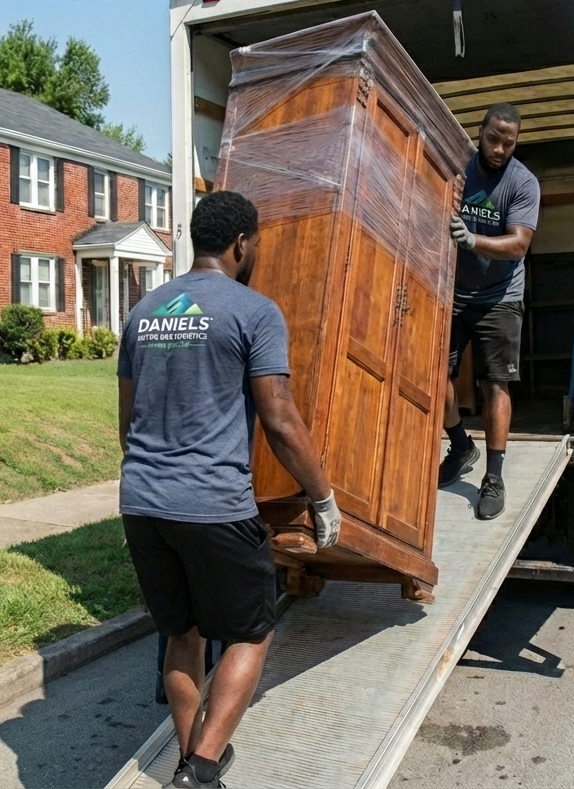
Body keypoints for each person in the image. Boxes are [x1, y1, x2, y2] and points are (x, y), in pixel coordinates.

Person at [118, 191, 341, 789]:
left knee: (181, 633)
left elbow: (127, 424)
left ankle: (193, 759)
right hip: (212, 504)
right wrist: (321, 497)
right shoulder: (254, 311)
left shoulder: (144, 313)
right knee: (250, 631)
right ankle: (204, 767)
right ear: (242, 244)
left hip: (141, 502)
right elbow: (280, 418)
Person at [440, 102, 540, 520]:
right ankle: (461, 445)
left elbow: (518, 244)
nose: (499, 148)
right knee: (436, 378)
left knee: (494, 385)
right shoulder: (456, 164)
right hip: (452, 291)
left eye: (508, 142)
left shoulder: (523, 183)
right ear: (480, 131)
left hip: (499, 295)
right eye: (493, 138)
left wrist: (473, 241)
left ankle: (494, 477)